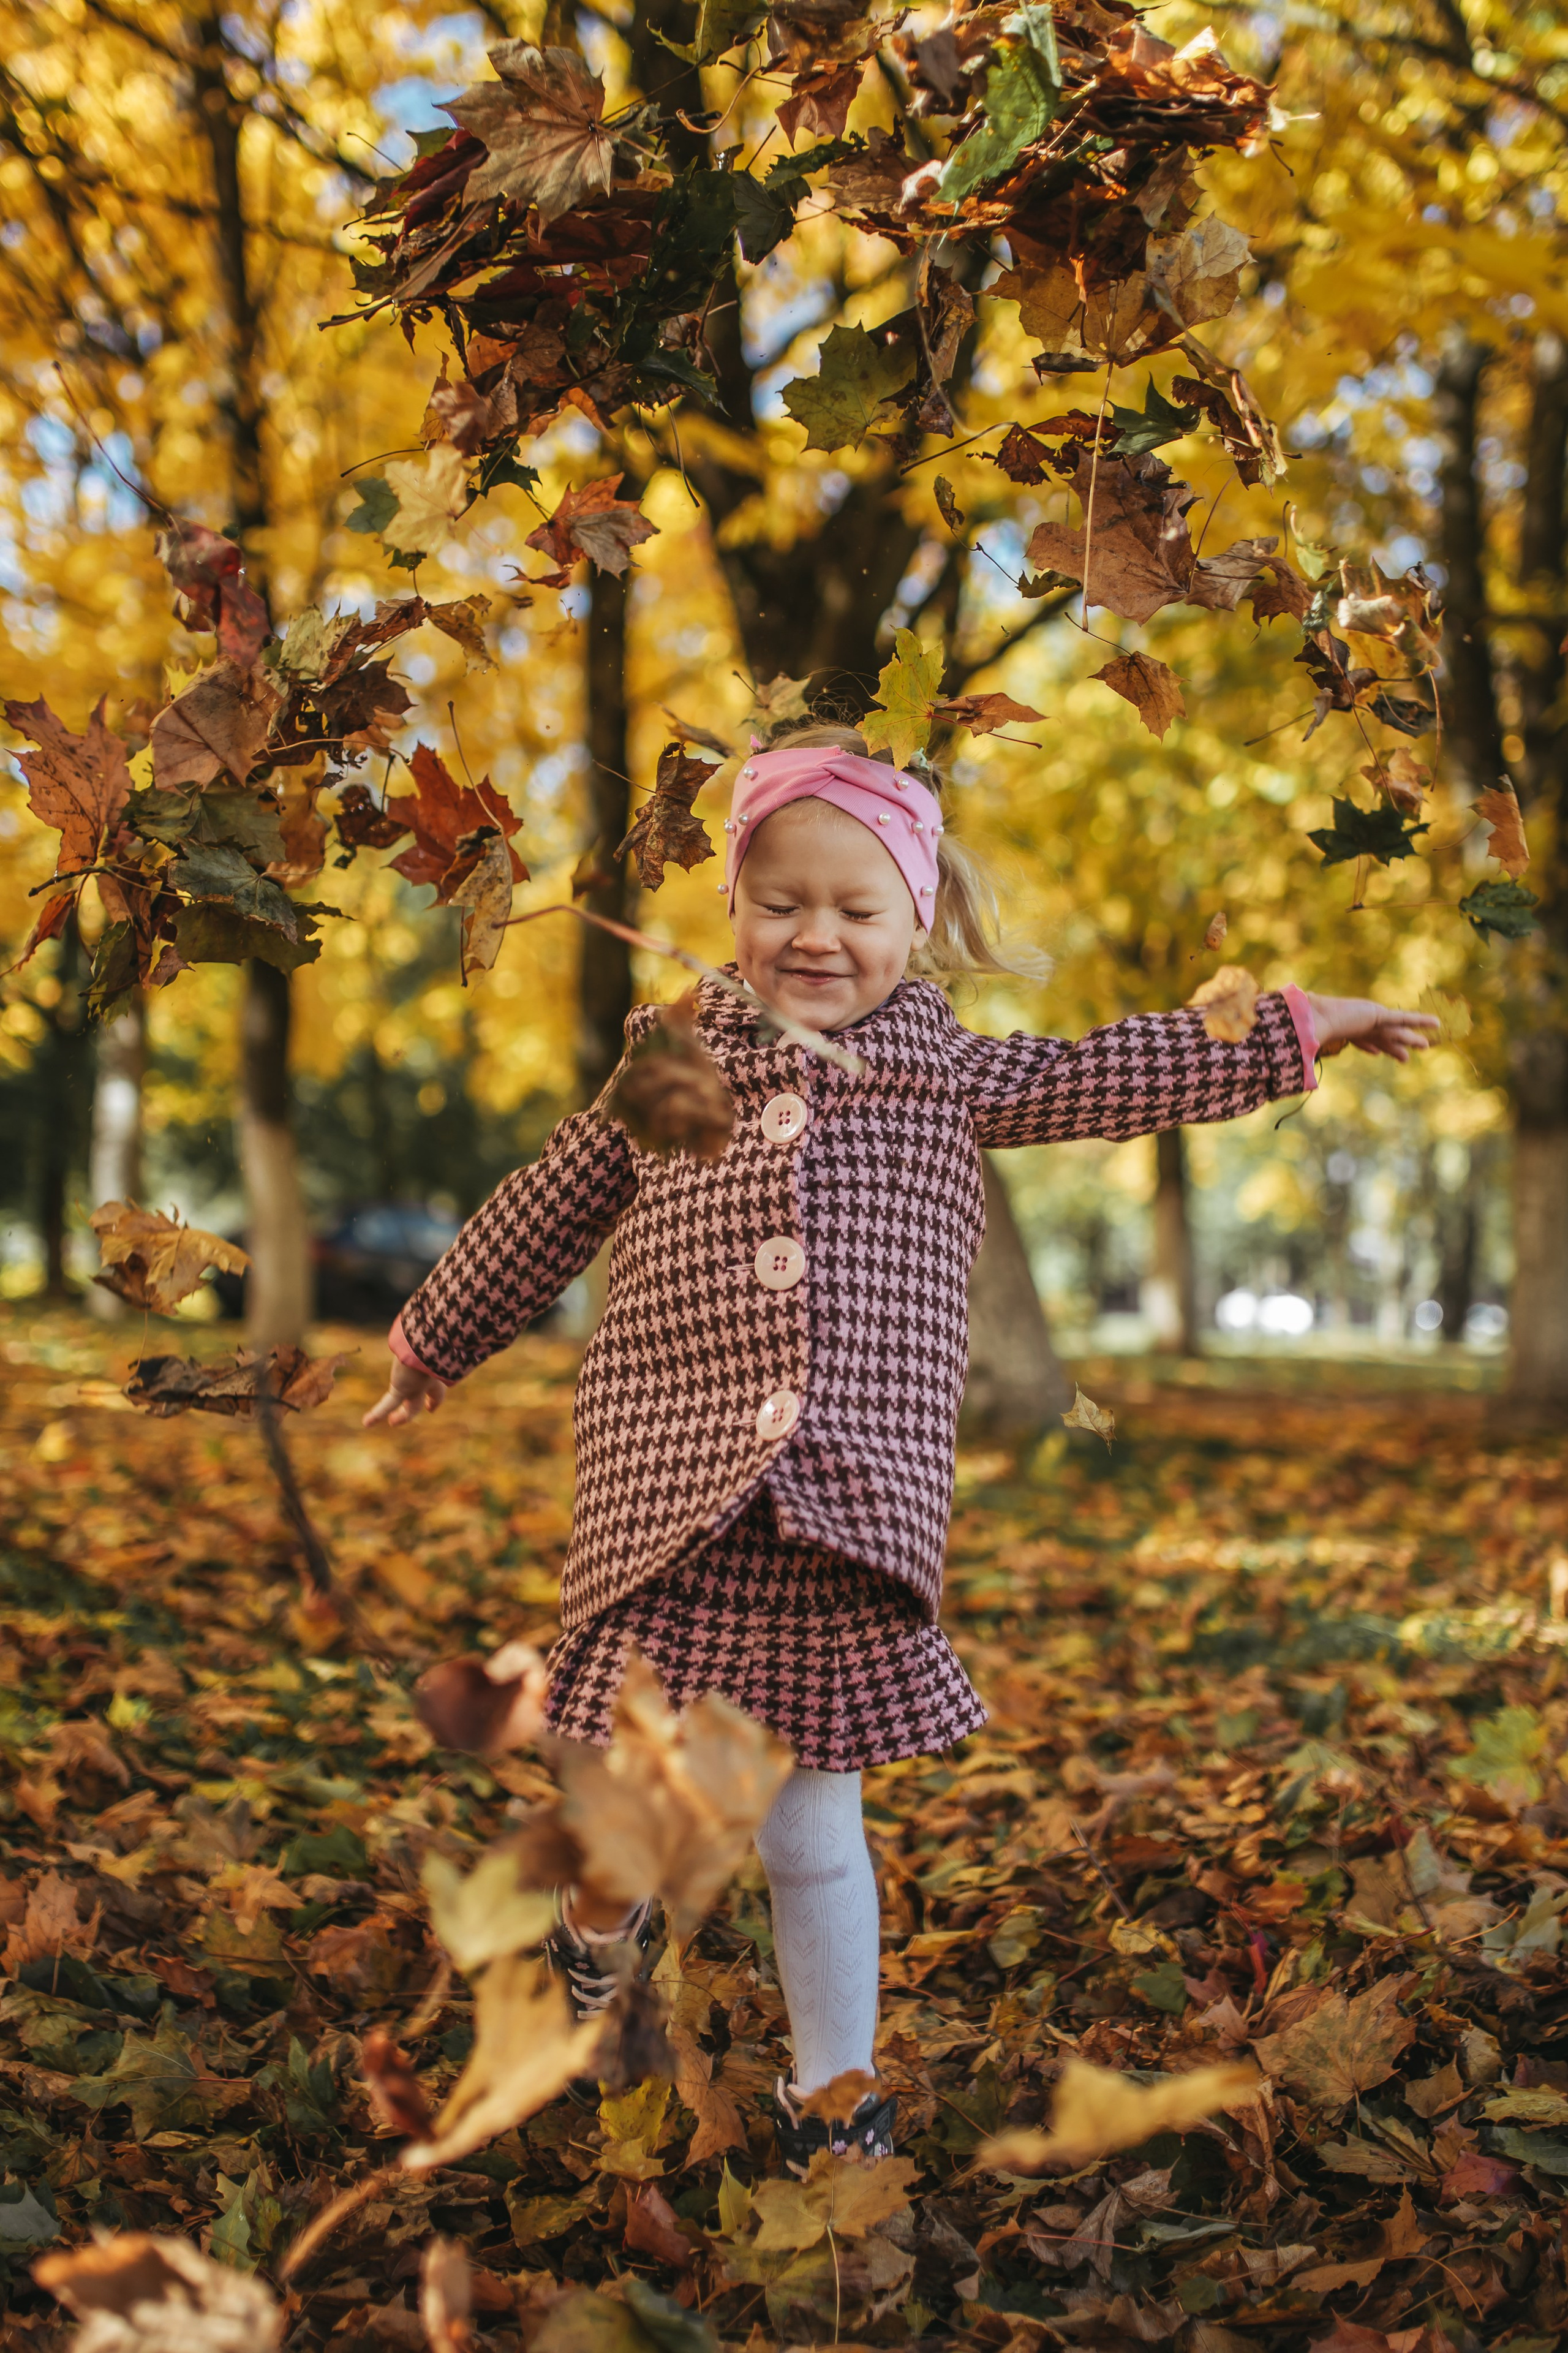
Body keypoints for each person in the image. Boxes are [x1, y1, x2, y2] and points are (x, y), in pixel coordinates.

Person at [364, 720, 1438, 2169]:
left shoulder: (947, 1072)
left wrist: (1305, 1024)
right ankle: (594, 1931)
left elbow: (1123, 1069)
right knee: (637, 1804)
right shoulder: (673, 1060)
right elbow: (552, 1197)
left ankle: (835, 2096)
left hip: (843, 1515)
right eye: (778, 902)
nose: (814, 936)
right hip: (671, 1496)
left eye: (855, 909)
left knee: (809, 1831)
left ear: (915, 920)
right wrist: (435, 1334)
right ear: (732, 906)